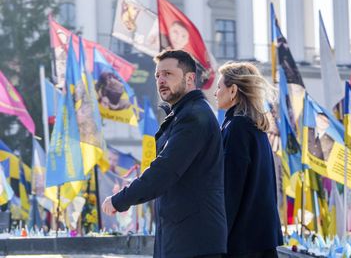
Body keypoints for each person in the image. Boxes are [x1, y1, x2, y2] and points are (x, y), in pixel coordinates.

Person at [102, 50, 227, 258]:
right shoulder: (183, 114)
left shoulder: (194, 116)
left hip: (194, 243)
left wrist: (119, 200)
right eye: (158, 75)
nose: (161, 80)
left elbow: (164, 171)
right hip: (183, 238)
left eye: (168, 74)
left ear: (189, 79)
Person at [215, 62, 283, 257]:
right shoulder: (252, 126)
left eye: (219, 87)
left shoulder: (237, 127)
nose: (215, 93)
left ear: (233, 90)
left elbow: (231, 188)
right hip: (259, 237)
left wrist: (218, 237)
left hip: (242, 241)